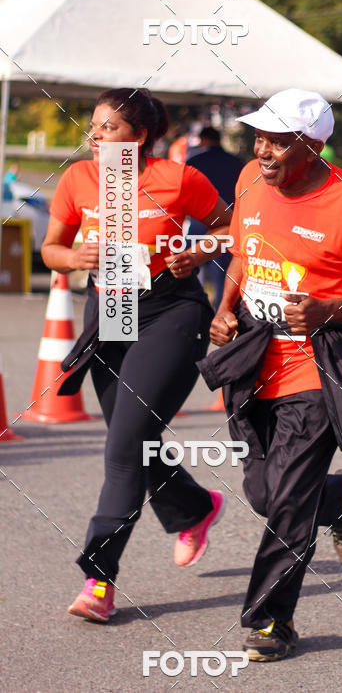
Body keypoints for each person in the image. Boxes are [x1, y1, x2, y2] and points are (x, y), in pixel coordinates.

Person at [201, 88, 342, 661]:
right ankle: (338, 498)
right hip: (252, 359)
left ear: (313, 145)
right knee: (265, 493)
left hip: (316, 368)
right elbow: (246, 252)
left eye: (277, 139)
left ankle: (271, 621)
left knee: (288, 502)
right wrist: (225, 310)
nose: (262, 149)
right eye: (259, 137)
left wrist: (329, 310)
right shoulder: (250, 178)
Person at [41, 88, 232, 624]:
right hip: (110, 311)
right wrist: (72, 255)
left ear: (140, 136)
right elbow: (51, 247)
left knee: (125, 446)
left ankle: (98, 581)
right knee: (133, 438)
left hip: (170, 312)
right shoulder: (79, 179)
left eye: (108, 128)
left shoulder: (178, 179)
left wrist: (199, 250)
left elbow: (233, 229)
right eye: (94, 126)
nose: (95, 136)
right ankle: (195, 507)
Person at [186, 126, 245, 307]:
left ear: (203, 140)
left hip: (199, 221)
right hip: (229, 221)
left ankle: (193, 306)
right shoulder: (237, 162)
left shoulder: (194, 161)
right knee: (223, 271)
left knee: (189, 266)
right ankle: (221, 308)